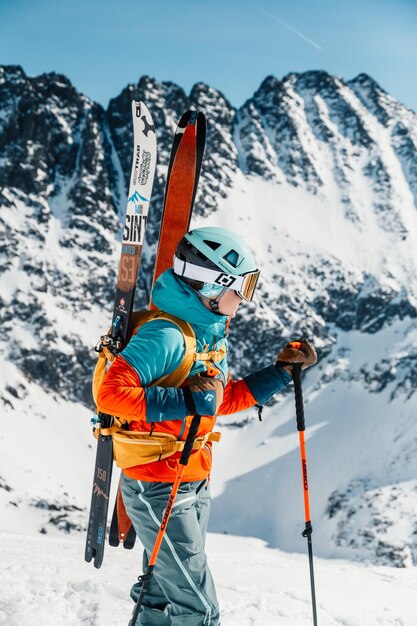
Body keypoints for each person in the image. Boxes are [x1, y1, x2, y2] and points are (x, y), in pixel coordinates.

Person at [96, 226, 317, 626]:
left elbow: (217, 401)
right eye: (241, 288)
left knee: (164, 593)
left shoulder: (206, 333)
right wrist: (185, 401)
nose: (245, 299)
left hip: (191, 478)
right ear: (211, 287)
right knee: (198, 609)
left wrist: (281, 374)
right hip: (157, 484)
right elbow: (110, 394)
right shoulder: (166, 336)